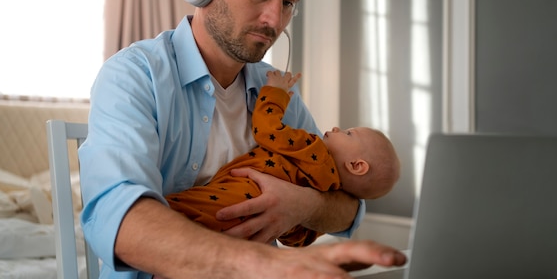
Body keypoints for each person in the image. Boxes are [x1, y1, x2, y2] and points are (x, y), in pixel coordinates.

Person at [78, 0, 406, 279]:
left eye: (288, 2)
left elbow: (344, 205)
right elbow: (122, 222)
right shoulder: (133, 75)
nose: (275, 21)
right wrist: (268, 264)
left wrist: (301, 205)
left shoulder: (276, 87)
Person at [166, 70, 400, 247]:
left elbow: (268, 130)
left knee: (174, 211)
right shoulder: (325, 191)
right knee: (198, 225)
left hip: (236, 195)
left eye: (349, 133)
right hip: (245, 236)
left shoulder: (314, 149)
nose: (337, 128)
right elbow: (296, 238)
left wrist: (275, 94)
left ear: (356, 165)